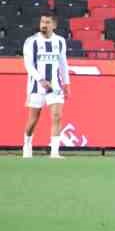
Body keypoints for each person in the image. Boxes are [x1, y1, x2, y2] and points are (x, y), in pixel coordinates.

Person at [21, 12, 70, 159]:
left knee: (57, 116)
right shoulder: (31, 41)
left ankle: (55, 152)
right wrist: (40, 80)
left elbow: (63, 64)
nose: (44, 25)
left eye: (47, 22)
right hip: (36, 86)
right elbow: (28, 65)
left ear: (54, 25)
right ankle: (27, 145)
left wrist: (67, 83)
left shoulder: (60, 41)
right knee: (33, 120)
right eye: (42, 22)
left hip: (55, 86)